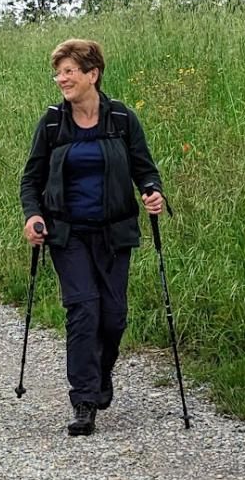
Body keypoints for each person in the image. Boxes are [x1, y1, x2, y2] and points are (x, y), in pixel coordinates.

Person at [19, 38, 166, 436]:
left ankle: (101, 376)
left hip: (115, 232)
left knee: (114, 317)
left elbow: (144, 169)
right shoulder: (52, 123)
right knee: (84, 309)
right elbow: (31, 179)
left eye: (69, 71)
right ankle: (84, 400)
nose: (61, 79)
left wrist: (153, 192)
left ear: (92, 74)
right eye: (59, 72)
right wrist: (34, 216)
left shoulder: (121, 119)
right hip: (68, 233)